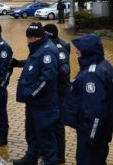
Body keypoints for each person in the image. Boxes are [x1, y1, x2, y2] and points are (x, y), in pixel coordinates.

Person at [63, 34, 113, 165]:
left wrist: (91, 136)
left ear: (88, 51)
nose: (76, 52)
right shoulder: (103, 65)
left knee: (87, 160)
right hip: (99, 131)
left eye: (79, 49)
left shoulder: (92, 75)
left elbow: (96, 111)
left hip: (91, 132)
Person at [11, 22, 59, 165]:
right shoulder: (38, 48)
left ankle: (49, 161)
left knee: (45, 134)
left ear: (37, 38)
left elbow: (47, 78)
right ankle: (31, 156)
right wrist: (19, 63)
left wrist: (33, 93)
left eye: (30, 39)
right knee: (31, 131)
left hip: (43, 102)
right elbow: (34, 63)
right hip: (33, 102)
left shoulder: (48, 51)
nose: (27, 42)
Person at [43, 24, 70, 163]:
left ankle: (60, 155)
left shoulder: (59, 48)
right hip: (52, 91)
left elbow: (65, 69)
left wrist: (51, 73)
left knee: (58, 124)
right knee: (49, 122)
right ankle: (49, 150)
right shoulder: (48, 45)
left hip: (60, 92)